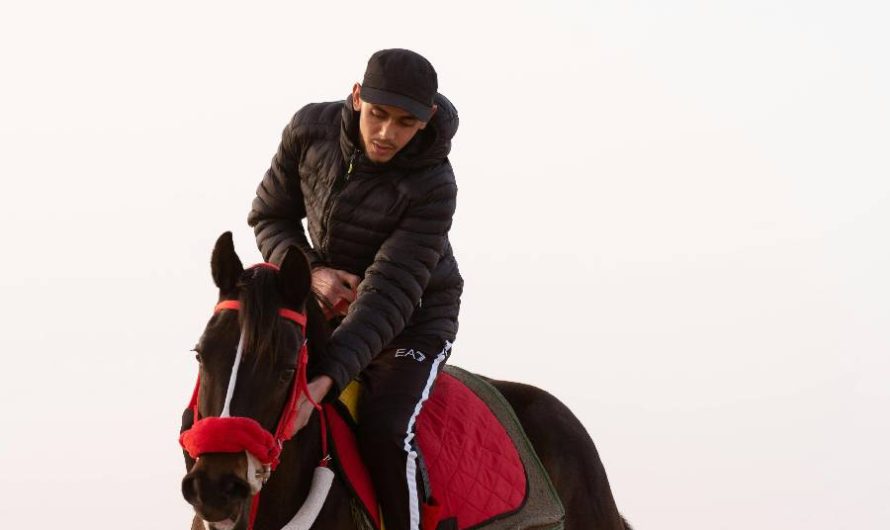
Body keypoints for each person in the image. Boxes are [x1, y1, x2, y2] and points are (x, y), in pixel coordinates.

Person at [248, 48, 462, 530]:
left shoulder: (435, 184)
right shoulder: (308, 129)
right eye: (378, 114)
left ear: (427, 118)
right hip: (324, 303)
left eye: (406, 123)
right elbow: (269, 216)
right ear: (357, 96)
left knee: (386, 430)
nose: (387, 133)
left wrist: (325, 380)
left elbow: (390, 292)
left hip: (412, 319)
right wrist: (311, 271)